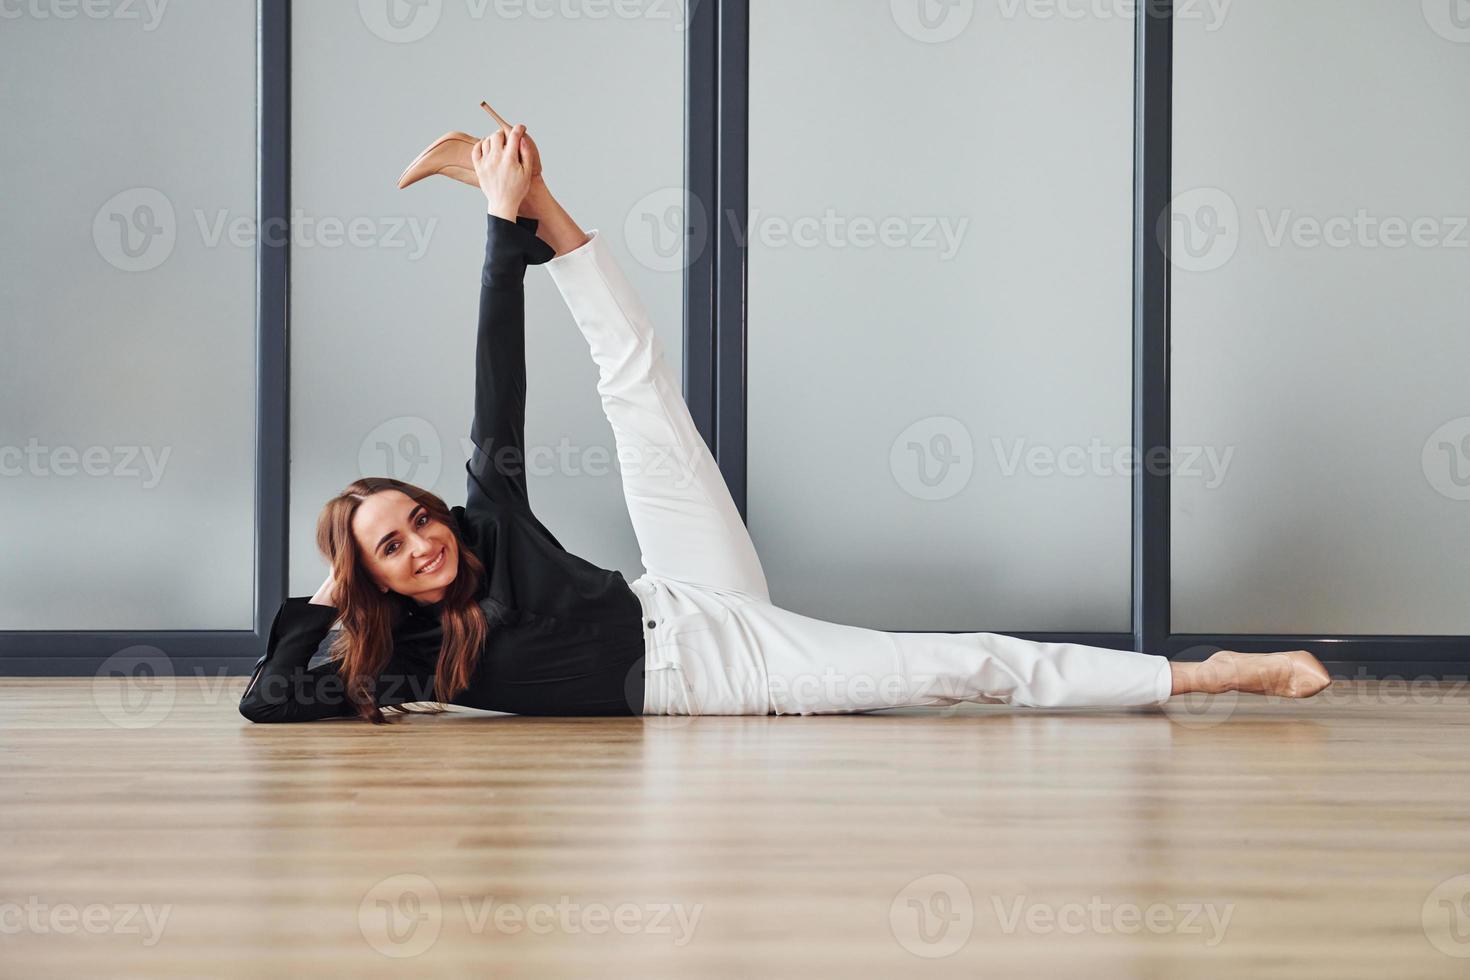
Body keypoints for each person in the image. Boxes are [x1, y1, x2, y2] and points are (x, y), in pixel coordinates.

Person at [238, 122, 1331, 725]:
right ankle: (1217, 673)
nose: (425, 538)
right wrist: (339, 585)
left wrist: (500, 223)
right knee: (968, 668)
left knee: (640, 396)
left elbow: (495, 386)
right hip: (721, 676)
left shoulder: (485, 528)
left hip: (677, 590)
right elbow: (263, 698)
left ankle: (537, 201)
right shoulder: (398, 658)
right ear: (372, 577)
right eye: (395, 544)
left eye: (416, 516)